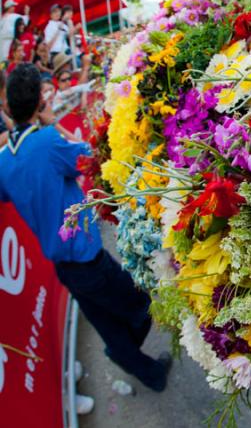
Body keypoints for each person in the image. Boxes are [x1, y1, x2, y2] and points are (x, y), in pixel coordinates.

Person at [0, 64, 172, 392]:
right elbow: (89, 157)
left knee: (108, 324)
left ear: (8, 107)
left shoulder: (4, 162)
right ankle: (129, 355)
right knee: (141, 306)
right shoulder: (48, 141)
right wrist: (56, 126)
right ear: (40, 102)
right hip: (87, 258)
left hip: (63, 266)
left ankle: (144, 369)